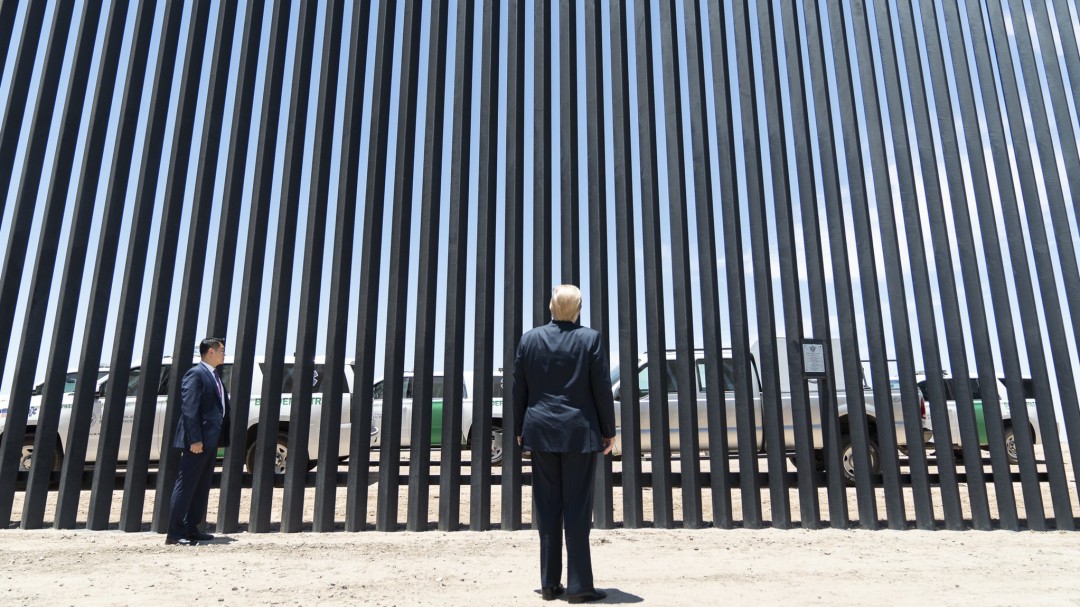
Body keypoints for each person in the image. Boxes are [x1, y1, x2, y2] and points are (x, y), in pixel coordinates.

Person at [513, 285, 616, 603]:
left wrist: (519, 428)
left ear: (550, 306)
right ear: (579, 309)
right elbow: (601, 387)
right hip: (579, 434)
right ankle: (579, 586)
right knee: (577, 509)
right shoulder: (590, 339)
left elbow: (519, 387)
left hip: (541, 432)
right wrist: (609, 431)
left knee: (547, 508)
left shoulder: (530, 339)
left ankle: (549, 585)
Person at [167, 337, 231, 546]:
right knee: (186, 485)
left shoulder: (214, 376)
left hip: (210, 441)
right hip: (198, 441)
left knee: (201, 486)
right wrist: (195, 439)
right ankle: (174, 534)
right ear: (210, 352)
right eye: (221, 350)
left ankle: (192, 528)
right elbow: (189, 408)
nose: (224, 353)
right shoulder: (196, 374)